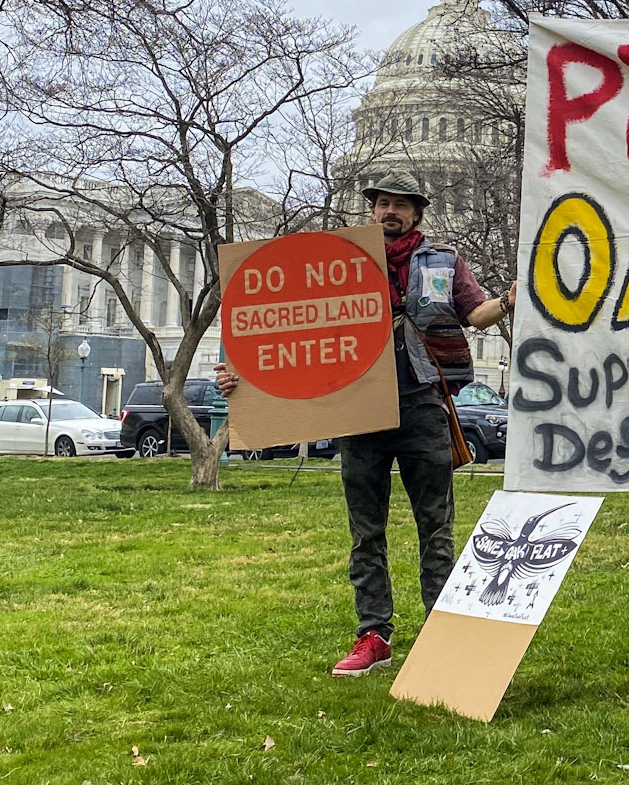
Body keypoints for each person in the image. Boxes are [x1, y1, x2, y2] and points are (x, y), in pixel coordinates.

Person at [216, 175, 514, 678]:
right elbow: (292, 332)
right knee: (366, 533)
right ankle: (373, 634)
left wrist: (507, 300)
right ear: (371, 212)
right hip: (357, 412)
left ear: (417, 215)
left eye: (400, 205)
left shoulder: (443, 262)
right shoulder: (334, 266)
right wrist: (243, 379)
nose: (389, 211)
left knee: (436, 529)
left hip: (422, 406)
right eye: (381, 204)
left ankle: (442, 634)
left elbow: (475, 314)